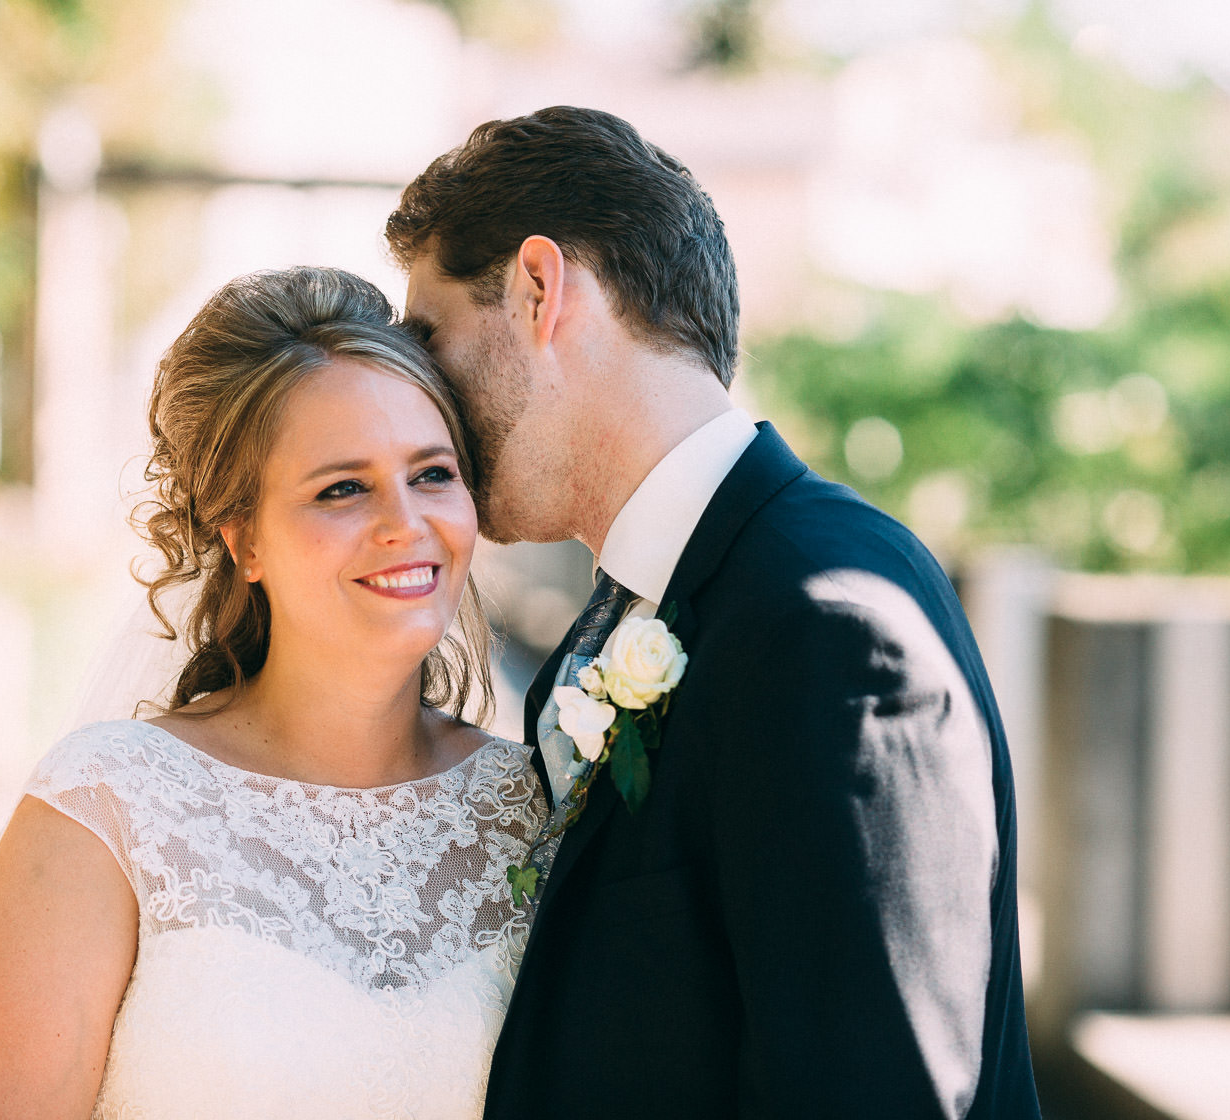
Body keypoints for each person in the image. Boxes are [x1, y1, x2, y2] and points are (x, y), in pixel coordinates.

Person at [388, 106, 1041, 1118]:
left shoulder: (831, 622)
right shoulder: (634, 614)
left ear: (537, 290)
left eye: (428, 336)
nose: (419, 395)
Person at [0, 266, 548, 1119]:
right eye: (341, 488)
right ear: (243, 540)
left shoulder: (534, 808)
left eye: (432, 474)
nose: (405, 521)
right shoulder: (107, 809)